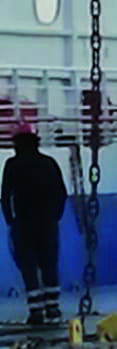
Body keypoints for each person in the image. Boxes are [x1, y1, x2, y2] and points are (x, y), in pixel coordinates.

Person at [1, 120, 68, 324]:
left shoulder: (12, 165)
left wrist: (11, 221)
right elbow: (62, 194)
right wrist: (55, 216)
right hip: (48, 224)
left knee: (29, 267)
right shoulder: (49, 163)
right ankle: (53, 308)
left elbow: (5, 197)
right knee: (49, 264)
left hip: (24, 225)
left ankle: (36, 312)